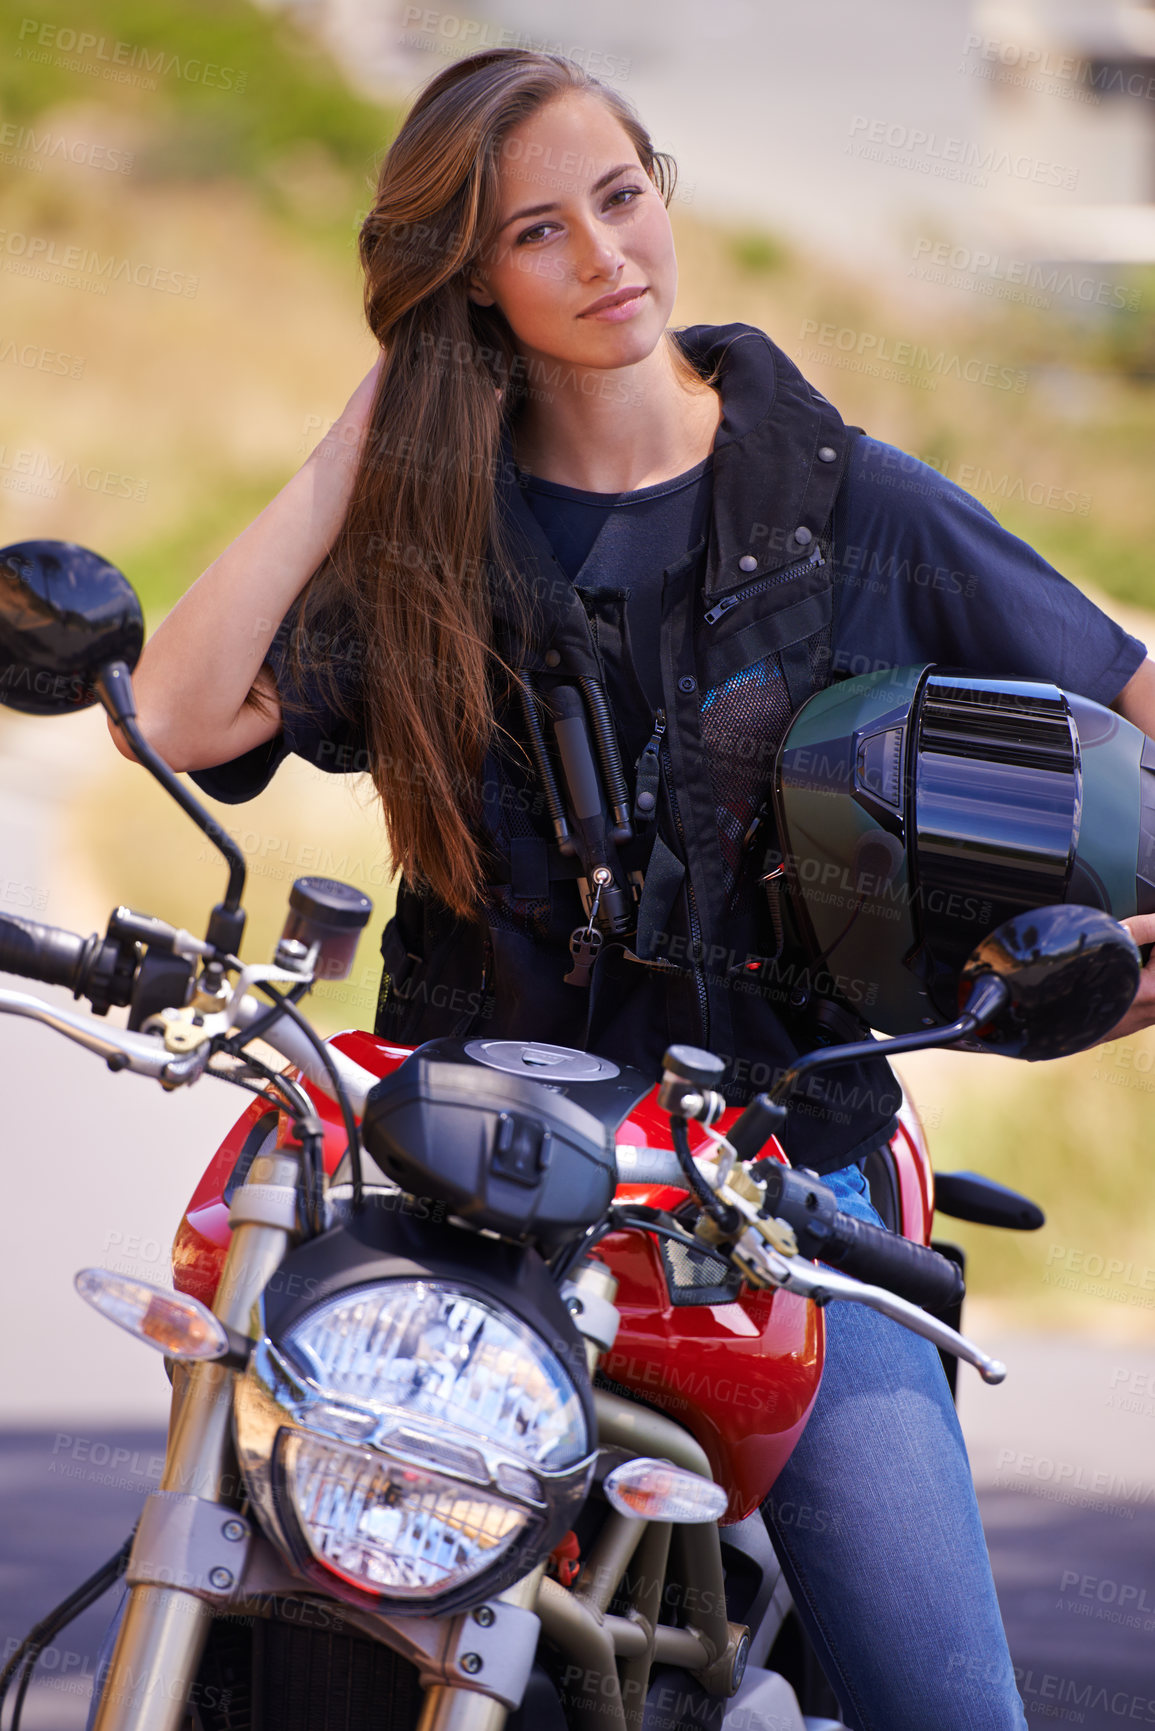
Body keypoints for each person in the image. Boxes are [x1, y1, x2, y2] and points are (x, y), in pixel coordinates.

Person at [115, 48, 1155, 1731]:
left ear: (663, 190)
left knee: (945, 1704)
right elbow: (175, 713)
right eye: (538, 232)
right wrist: (361, 443)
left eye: (621, 196)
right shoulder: (429, 530)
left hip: (776, 1210)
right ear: (468, 284)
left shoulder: (851, 509)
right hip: (465, 1192)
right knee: (250, 1562)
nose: (607, 255)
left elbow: (1128, 694)